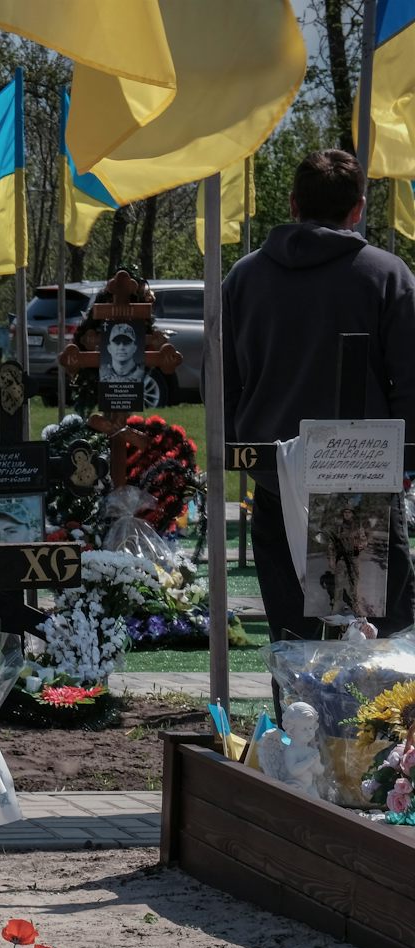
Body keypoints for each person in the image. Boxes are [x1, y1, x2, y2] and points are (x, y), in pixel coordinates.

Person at [226, 148, 415, 639]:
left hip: (274, 476)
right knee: (375, 641)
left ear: (291, 204)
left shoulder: (243, 279)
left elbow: (224, 381)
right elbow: (410, 380)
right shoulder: (386, 275)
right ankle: (379, 721)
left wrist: (239, 454)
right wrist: (403, 463)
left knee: (294, 640)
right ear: (358, 208)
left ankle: (294, 718)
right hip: (364, 478)